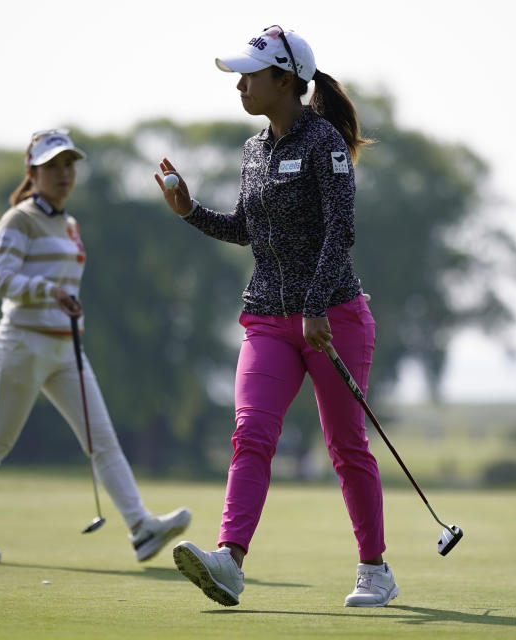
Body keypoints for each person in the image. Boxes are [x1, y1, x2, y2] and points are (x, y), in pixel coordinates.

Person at [155, 26, 397, 608]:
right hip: (267, 317)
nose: (240, 84)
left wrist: (315, 307)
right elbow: (245, 229)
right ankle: (230, 561)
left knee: (346, 446)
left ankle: (375, 570)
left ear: (284, 80)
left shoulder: (326, 144)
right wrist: (189, 211)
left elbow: (341, 231)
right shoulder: (253, 150)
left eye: (250, 75)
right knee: (251, 432)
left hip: (333, 313)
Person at [0, 129, 190, 564]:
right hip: (21, 344)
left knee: (103, 442)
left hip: (64, 348)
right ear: (32, 172)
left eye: (69, 164)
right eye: (52, 166)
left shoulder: (68, 224)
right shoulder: (18, 219)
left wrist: (65, 303)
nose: (63, 173)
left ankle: (141, 527)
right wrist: (48, 291)